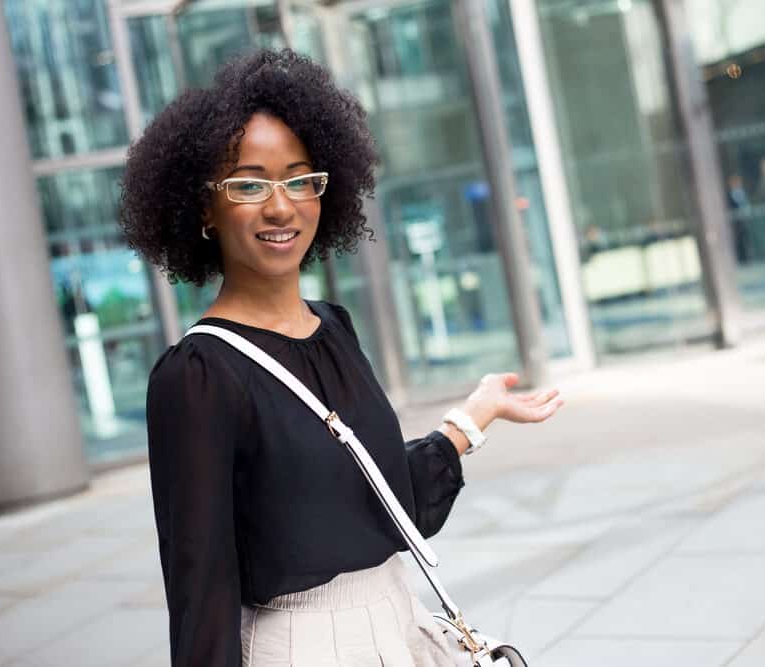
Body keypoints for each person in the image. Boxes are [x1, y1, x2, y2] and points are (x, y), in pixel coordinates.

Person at [118, 49, 564, 667]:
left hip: (402, 628)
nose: (281, 206)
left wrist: (472, 419)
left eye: (300, 178)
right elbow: (201, 591)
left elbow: (382, 499)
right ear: (201, 207)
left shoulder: (334, 328)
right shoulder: (198, 377)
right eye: (249, 184)